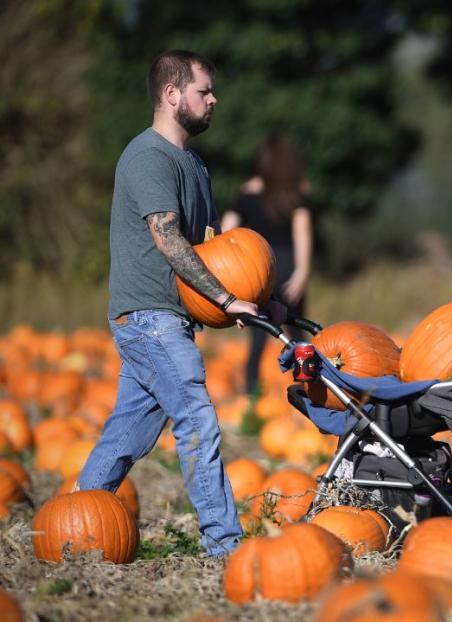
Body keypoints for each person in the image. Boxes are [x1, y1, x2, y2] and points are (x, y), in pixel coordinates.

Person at [78, 50, 284, 557]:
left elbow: (213, 250)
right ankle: (225, 546)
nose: (213, 100)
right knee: (197, 419)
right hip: (147, 317)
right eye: (203, 91)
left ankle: (77, 521)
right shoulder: (148, 157)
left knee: (130, 431)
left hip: (169, 318)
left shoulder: (192, 163)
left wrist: (261, 301)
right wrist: (224, 297)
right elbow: (168, 239)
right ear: (172, 95)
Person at [220, 132, 313, 395]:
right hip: (288, 266)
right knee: (297, 335)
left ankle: (251, 392)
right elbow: (302, 233)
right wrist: (302, 272)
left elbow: (226, 231)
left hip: (260, 267)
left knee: (258, 336)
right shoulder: (297, 191)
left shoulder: (248, 193)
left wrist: (232, 269)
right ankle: (309, 389)